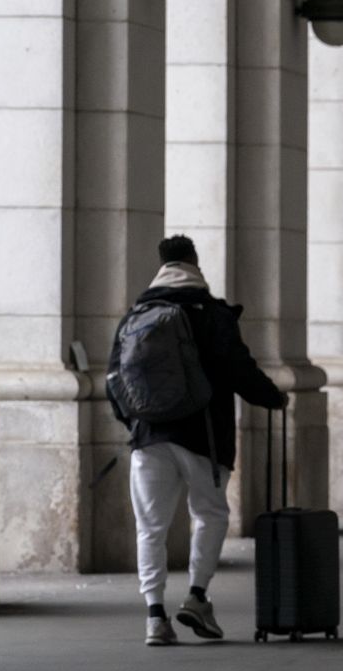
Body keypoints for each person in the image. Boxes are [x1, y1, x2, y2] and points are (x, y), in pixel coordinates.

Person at [107, 235, 287, 646]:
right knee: (209, 514)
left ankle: (155, 616)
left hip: (149, 437)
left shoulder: (137, 313)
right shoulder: (212, 314)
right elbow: (240, 370)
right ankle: (197, 596)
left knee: (150, 528)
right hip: (203, 437)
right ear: (195, 262)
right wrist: (273, 397)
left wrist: (133, 422)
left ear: (161, 264)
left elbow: (114, 378)